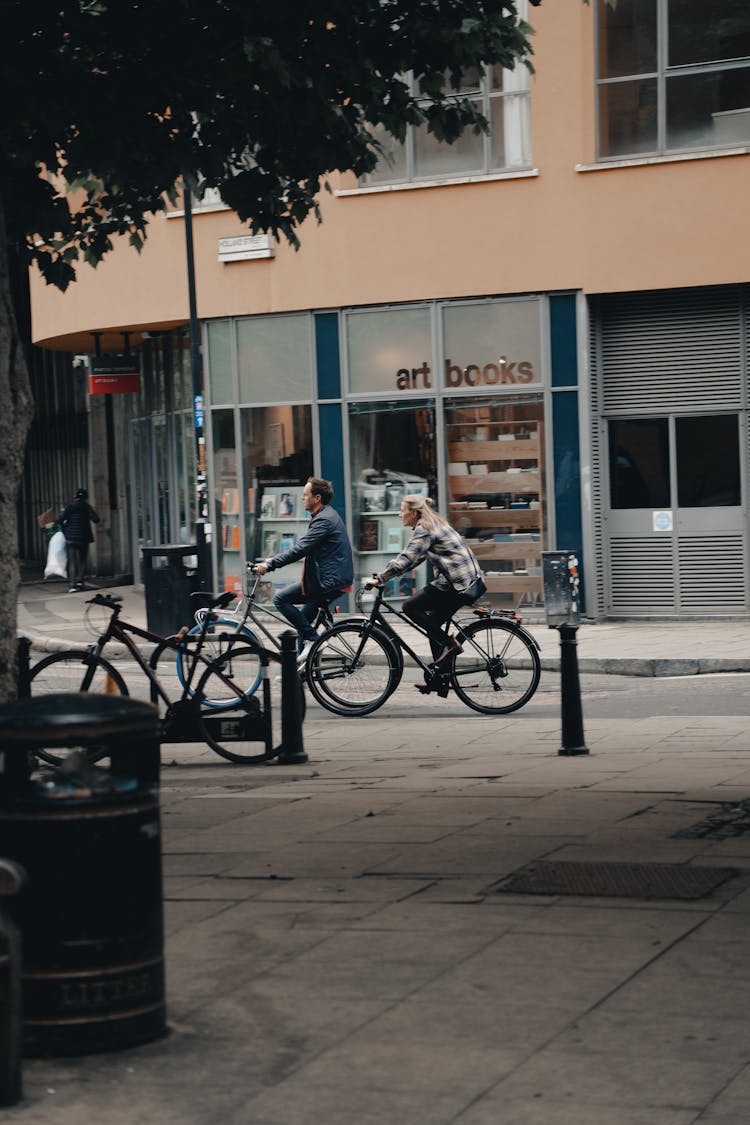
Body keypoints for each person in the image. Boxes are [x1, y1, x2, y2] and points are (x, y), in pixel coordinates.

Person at [365, 494, 485, 665]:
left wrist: (380, 579)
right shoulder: (435, 523)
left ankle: (450, 644)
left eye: (402, 511)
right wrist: (388, 575)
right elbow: (415, 559)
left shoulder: (425, 528)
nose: (400, 515)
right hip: (469, 582)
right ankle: (441, 678)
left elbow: (407, 557)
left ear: (414, 513)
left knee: (409, 606)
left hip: (458, 584)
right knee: (432, 624)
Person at [255, 477, 353, 665]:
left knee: (280, 599)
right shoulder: (325, 515)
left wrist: (270, 564)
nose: (302, 498)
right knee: (304, 622)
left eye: (305, 495)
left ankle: (314, 641)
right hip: (331, 579)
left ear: (317, 498)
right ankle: (300, 672)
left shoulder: (324, 520)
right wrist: (272, 561)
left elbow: (300, 549)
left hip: (329, 582)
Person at [58, 487, 100, 593]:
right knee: (82, 560)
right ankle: (80, 581)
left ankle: (72, 585)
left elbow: (61, 520)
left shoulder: (69, 506)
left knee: (72, 561)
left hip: (71, 538)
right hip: (83, 537)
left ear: (75, 497)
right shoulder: (86, 506)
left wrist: (65, 527)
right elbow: (96, 519)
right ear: (85, 497)